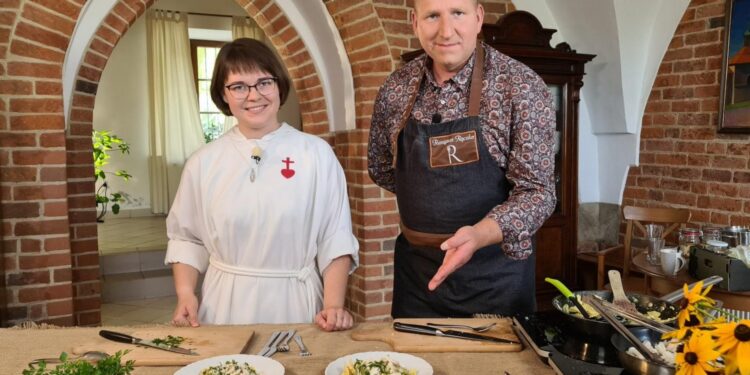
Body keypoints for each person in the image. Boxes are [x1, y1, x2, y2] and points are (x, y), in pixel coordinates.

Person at [368, 0, 556, 318]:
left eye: (458, 13)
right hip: (418, 278)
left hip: (495, 278)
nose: (446, 30)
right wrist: (430, 202)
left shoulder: (520, 87)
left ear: (478, 17)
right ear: (415, 22)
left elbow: (539, 193)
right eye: (432, 16)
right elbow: (382, 168)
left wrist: (478, 234)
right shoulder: (395, 89)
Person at [166, 38, 359, 331]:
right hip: (225, 304)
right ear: (223, 94)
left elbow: (335, 235)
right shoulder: (203, 162)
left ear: (279, 86)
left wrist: (333, 304)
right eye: (239, 86)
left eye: (264, 83)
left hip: (295, 299)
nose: (253, 96)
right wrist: (185, 294)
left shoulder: (316, 154)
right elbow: (186, 238)